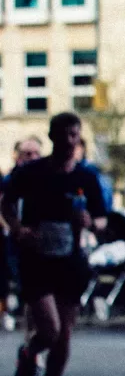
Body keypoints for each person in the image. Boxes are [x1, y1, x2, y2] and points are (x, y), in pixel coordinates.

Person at [4, 113, 108, 376]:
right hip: (36, 259)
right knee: (49, 330)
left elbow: (102, 219)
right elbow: (6, 202)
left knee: (64, 335)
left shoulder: (86, 177)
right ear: (52, 137)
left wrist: (91, 221)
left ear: (79, 139)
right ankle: (29, 353)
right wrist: (17, 228)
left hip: (70, 260)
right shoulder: (32, 172)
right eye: (63, 135)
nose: (68, 142)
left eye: (74, 135)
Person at [1, 137, 43, 332]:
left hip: (42, 241)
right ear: (18, 157)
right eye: (27, 154)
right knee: (23, 283)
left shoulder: (46, 179)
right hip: (16, 239)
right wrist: (16, 227)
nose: (33, 158)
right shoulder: (10, 181)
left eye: (36, 154)